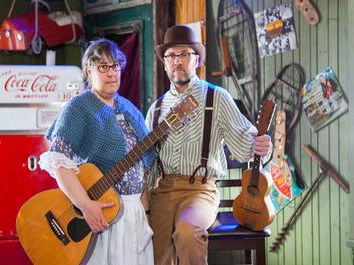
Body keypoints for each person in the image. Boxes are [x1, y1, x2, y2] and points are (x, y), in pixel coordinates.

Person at [145, 25, 272, 265]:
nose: (177, 61)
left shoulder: (216, 97)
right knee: (150, 245)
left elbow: (246, 144)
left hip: (200, 191)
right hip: (162, 192)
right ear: (164, 63)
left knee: (187, 231)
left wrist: (261, 146)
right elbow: (147, 163)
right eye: (171, 55)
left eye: (185, 54)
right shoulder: (156, 109)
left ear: (197, 61)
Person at [39, 38, 154, 265]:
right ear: (88, 71)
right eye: (103, 67)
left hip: (134, 215)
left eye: (115, 66)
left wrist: (145, 210)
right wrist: (85, 205)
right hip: (101, 214)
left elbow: (144, 164)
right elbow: (59, 163)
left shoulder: (130, 109)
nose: (111, 73)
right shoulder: (79, 107)